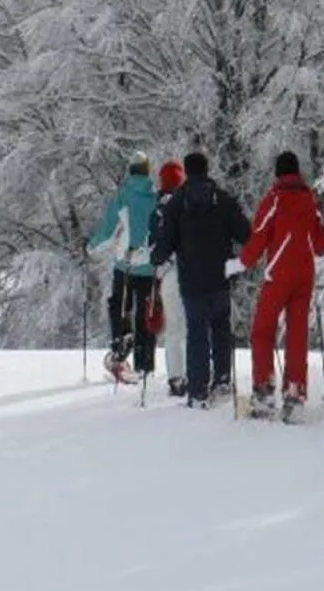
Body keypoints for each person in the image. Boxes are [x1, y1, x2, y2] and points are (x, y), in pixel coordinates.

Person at [149, 148, 251, 407]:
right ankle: (223, 379)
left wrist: (156, 257)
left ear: (187, 171)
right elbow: (246, 234)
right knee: (220, 328)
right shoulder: (223, 199)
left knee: (196, 333)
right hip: (220, 278)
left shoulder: (176, 203)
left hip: (191, 281)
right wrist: (240, 261)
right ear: (206, 170)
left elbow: (164, 245)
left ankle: (197, 390)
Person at [240, 149, 324, 419]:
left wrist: (241, 263)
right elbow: (323, 246)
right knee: (297, 334)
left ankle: (264, 390)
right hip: (304, 277)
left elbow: (258, 236)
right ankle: (295, 393)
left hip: (277, 274)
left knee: (262, 331)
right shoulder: (310, 202)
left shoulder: (274, 200)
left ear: (278, 174)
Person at [87, 154, 159, 385]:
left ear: (131, 171)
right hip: (149, 266)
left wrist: (90, 247)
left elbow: (108, 229)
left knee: (119, 306)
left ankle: (121, 347)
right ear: (147, 172)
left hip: (125, 264)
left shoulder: (123, 196)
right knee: (146, 314)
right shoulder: (155, 197)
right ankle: (145, 363)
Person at [151, 159, 190, 397]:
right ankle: (196, 373)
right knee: (194, 325)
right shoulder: (189, 204)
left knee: (174, 327)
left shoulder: (157, 211)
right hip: (192, 271)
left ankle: (176, 378)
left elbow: (152, 245)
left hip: (168, 274)